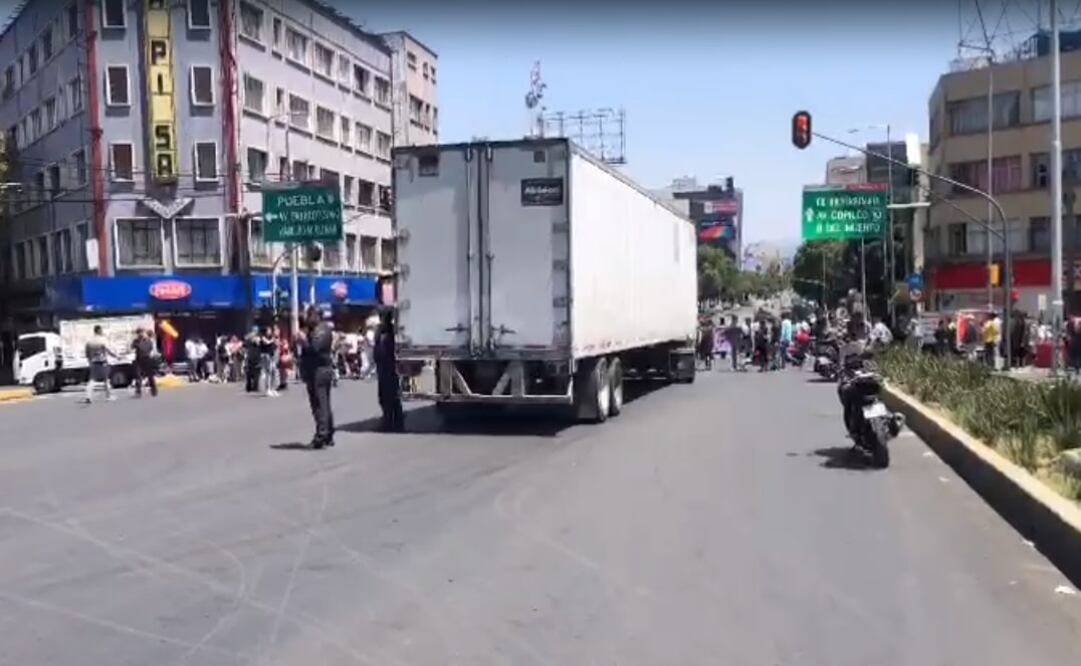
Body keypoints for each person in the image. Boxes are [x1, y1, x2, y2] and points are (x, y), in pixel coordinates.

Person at [298, 306, 336, 448]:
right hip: (318, 369)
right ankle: (328, 433)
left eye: (309, 315)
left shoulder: (321, 330)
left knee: (319, 404)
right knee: (324, 403)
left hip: (319, 370)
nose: (307, 318)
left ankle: (322, 435)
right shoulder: (317, 329)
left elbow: (314, 349)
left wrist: (303, 341)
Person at [374, 308, 404, 432]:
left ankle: (390, 422)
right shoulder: (381, 331)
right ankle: (395, 420)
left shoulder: (390, 331)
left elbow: (386, 350)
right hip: (383, 367)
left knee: (388, 396)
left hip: (389, 367)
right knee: (388, 396)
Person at [84, 325, 118, 403]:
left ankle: (88, 396)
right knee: (106, 380)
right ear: (99, 331)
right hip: (103, 362)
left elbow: (87, 353)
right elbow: (108, 350)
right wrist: (116, 356)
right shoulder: (102, 340)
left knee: (92, 380)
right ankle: (108, 396)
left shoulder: (89, 341)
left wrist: (90, 361)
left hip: (94, 362)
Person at [131, 328, 158, 398]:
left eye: (141, 332)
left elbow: (149, 348)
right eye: (138, 333)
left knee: (150, 375)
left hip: (147, 359)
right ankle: (138, 391)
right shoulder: (136, 341)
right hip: (138, 359)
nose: (140, 334)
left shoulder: (148, 341)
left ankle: (154, 390)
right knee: (138, 376)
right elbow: (132, 347)